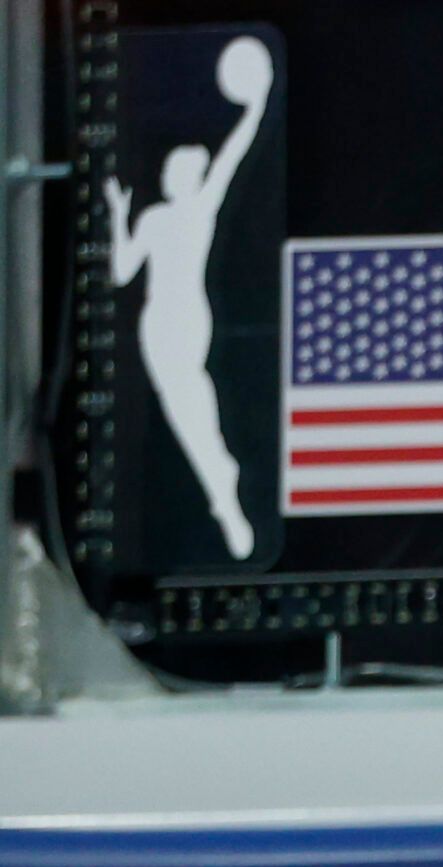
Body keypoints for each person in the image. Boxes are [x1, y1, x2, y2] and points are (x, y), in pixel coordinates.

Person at [104, 35, 273, 559]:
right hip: (155, 326)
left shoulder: (201, 209)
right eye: (169, 171)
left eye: (182, 171)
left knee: (191, 402)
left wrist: (259, 103)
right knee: (186, 409)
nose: (172, 177)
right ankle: (220, 478)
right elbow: (120, 271)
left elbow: (233, 156)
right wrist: (115, 214)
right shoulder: (153, 218)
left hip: (187, 321)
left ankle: (224, 489)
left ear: (193, 177)